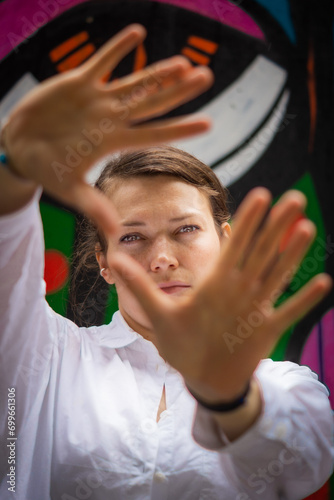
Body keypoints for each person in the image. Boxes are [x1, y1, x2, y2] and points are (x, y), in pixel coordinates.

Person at [0, 24, 333, 500]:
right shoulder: (45, 355)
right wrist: (13, 176)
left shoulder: (282, 386)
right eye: (131, 236)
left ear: (225, 242)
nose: (160, 259)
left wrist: (229, 398)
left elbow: (306, 464)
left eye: (186, 230)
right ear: (105, 262)